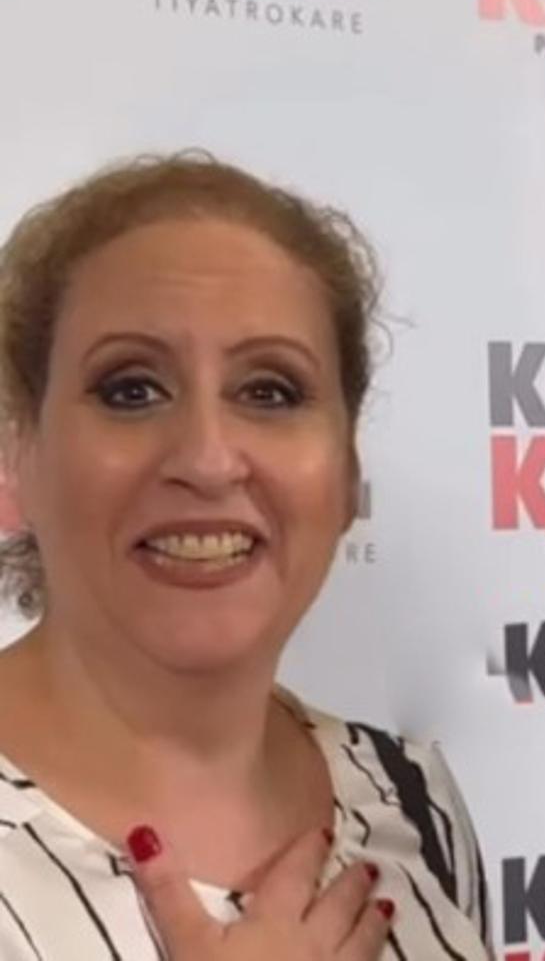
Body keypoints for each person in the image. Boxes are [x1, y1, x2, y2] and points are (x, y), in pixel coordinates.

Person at [0, 153, 492, 960]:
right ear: (20, 451)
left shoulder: (411, 798)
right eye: (130, 389)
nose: (207, 458)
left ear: (346, 473)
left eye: (270, 391)